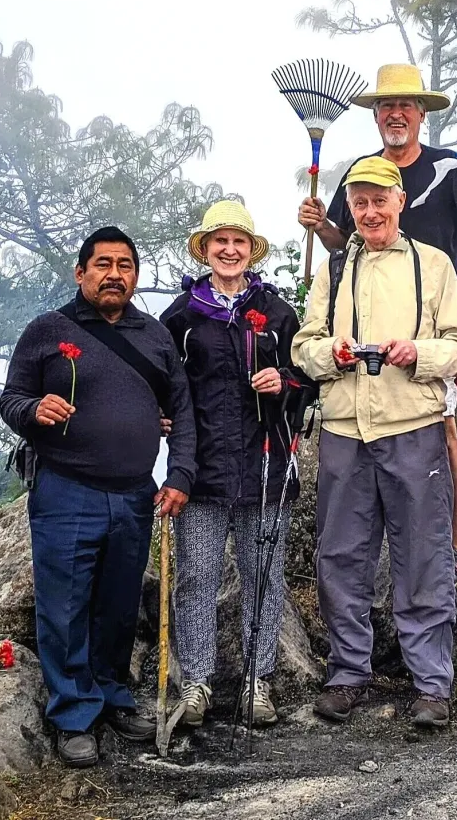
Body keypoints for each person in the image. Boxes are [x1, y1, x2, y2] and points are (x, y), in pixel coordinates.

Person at [296, 62, 457, 590]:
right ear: (376, 116)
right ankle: (376, 551)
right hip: (367, 318)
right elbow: (342, 243)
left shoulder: (450, 167)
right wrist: (320, 225)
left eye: (405, 106)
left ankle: (455, 547)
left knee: (442, 430)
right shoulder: (362, 172)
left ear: (420, 114)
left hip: (429, 317)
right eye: (386, 107)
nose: (396, 114)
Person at [292, 156, 457, 729]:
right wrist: (332, 354)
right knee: (340, 557)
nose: (370, 212)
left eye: (380, 200)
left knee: (423, 554)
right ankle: (348, 673)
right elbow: (304, 346)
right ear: (349, 207)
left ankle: (432, 684)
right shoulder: (334, 269)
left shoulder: (433, 264)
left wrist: (418, 353)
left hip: (413, 427)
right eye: (360, 202)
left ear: (400, 202)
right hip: (344, 431)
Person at [0, 226, 196, 768]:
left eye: (124, 265)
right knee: (64, 609)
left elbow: (182, 410)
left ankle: (112, 697)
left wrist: (180, 474)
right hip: (66, 490)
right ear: (80, 272)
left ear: (135, 276)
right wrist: (33, 409)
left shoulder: (155, 337)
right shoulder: (48, 330)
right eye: (103, 264)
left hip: (134, 495)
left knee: (117, 607)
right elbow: (12, 397)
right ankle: (73, 715)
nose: (114, 274)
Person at [159, 201, 313, 729]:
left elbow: (306, 378)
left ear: (251, 251)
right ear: (204, 249)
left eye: (238, 242)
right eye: (219, 241)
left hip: (266, 464)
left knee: (262, 577)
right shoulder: (182, 316)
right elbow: (164, 385)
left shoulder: (277, 313)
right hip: (200, 470)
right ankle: (196, 683)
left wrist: (283, 382)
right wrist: (158, 417)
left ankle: (257, 681)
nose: (229, 250)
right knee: (196, 577)